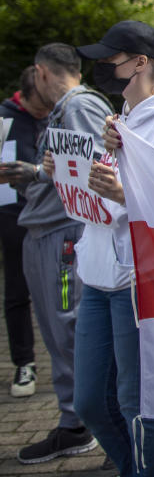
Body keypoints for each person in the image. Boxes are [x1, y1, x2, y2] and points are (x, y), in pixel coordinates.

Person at [65, 20, 154, 476]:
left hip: (135, 279)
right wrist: (64, 170)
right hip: (97, 273)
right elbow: (100, 191)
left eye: (109, 60)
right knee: (90, 402)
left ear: (141, 63)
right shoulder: (118, 122)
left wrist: (122, 194)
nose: (101, 67)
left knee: (137, 403)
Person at [0, 43, 113, 463]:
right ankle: (78, 420)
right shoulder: (73, 107)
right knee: (62, 332)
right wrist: (33, 174)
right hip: (51, 233)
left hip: (62, 236)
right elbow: (68, 171)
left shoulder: (77, 107)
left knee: (70, 332)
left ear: (41, 72)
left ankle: (85, 424)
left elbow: (94, 174)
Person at [0, 66, 50, 397]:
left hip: (53, 218)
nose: (44, 113)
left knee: (58, 294)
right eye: (39, 108)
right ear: (26, 96)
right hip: (13, 215)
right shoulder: (4, 118)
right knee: (17, 293)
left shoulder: (57, 115)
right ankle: (24, 363)